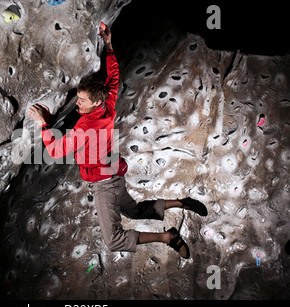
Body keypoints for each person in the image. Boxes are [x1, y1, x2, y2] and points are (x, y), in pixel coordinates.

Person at [28, 23, 207, 259]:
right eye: (78, 99)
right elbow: (113, 76)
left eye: (81, 100)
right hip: (114, 174)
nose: (77, 104)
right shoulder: (107, 105)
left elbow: (54, 149)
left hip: (104, 184)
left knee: (113, 241)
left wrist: (43, 122)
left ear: (94, 102)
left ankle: (168, 237)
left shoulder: (85, 127)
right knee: (134, 211)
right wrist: (109, 44)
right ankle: (181, 203)